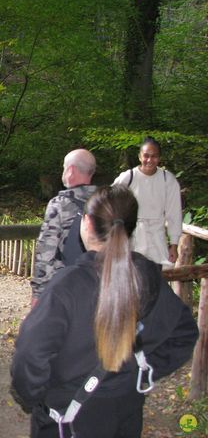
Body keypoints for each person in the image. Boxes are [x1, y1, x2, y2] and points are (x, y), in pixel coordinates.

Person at [11, 185, 198, 438]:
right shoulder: (147, 276)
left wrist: (36, 396)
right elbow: (184, 334)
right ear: (131, 227)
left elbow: (29, 355)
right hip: (126, 411)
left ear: (86, 223)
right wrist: (143, 371)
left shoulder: (67, 286)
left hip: (68, 419)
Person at [31, 149, 97, 306]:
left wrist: (38, 294)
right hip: (100, 286)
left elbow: (46, 253)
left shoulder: (60, 204)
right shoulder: (108, 202)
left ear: (71, 170)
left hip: (66, 288)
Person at [113, 136, 182, 268]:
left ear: (159, 157)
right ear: (140, 156)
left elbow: (174, 213)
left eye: (154, 156)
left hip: (157, 238)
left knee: (158, 277)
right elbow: (109, 201)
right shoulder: (128, 177)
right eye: (146, 156)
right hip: (132, 237)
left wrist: (174, 244)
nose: (149, 160)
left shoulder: (168, 180)